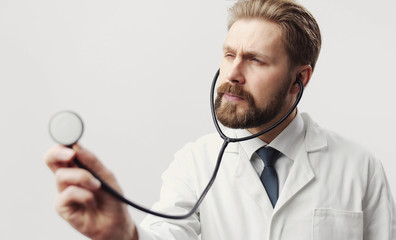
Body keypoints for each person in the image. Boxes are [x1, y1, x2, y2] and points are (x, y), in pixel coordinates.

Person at [44, 0, 396, 239]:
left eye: (255, 60)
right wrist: (123, 234)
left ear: (299, 79)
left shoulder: (358, 167)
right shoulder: (193, 164)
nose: (233, 74)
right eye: (229, 55)